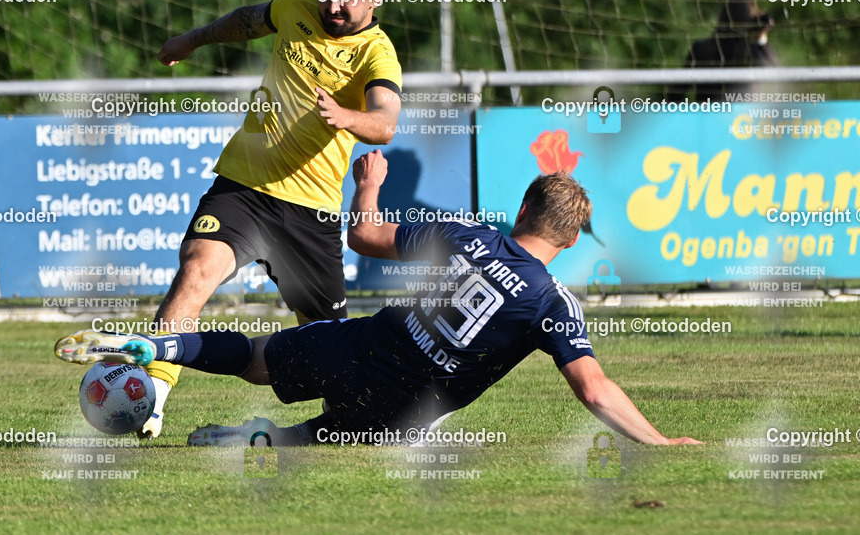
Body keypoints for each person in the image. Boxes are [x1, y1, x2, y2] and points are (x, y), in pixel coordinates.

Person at [55, 152, 700, 447]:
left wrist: (370, 182)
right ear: (569, 239)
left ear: (525, 208)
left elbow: (363, 235)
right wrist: (661, 440)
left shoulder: (468, 235)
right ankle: (249, 441)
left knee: (254, 358)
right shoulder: (554, 304)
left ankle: (156, 346)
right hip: (406, 407)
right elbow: (594, 389)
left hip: (363, 344)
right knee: (311, 439)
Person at [135, 0, 402, 438]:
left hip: (310, 211)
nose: (334, 2)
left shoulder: (376, 53)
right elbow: (245, 20)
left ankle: (341, 420)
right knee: (196, 269)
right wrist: (192, 40)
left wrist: (347, 116)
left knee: (328, 349)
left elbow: (385, 122)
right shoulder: (295, 7)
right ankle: (151, 396)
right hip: (244, 185)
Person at [680, 0, 777, 101]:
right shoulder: (752, 52)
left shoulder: (700, 48)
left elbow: (677, 91)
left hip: (706, 116)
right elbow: (776, 75)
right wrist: (761, 38)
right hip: (742, 116)